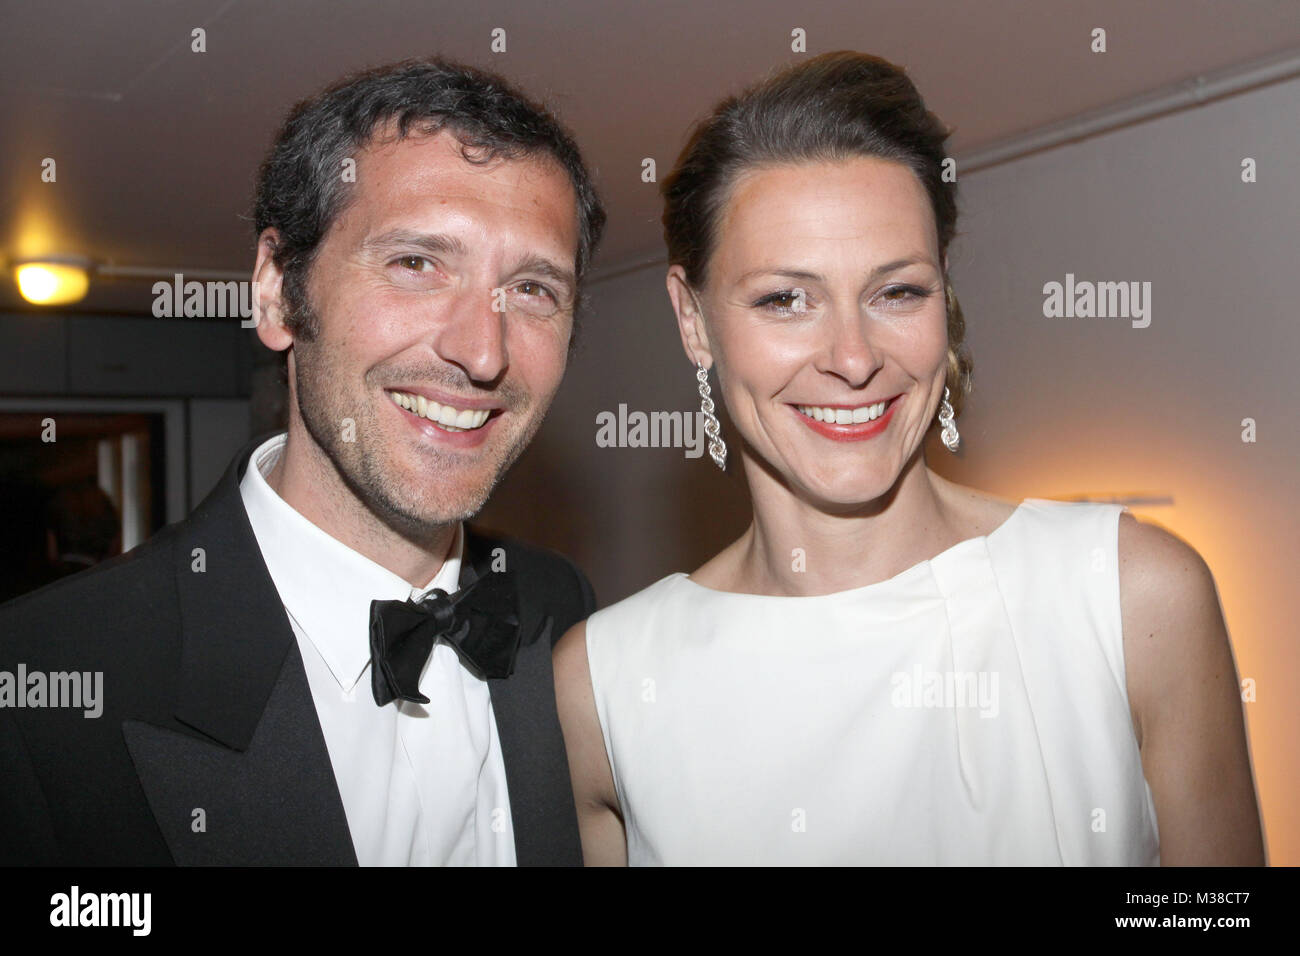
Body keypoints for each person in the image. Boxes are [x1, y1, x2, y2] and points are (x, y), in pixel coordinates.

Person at [554, 51, 1265, 866]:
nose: (854, 359)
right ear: (692, 320)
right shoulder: (599, 687)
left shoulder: (1131, 594)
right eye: (786, 299)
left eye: (897, 292)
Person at [0, 57, 605, 866]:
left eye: (533, 289)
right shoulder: (46, 682)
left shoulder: (558, 612)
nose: (483, 352)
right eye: (416, 263)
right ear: (279, 291)